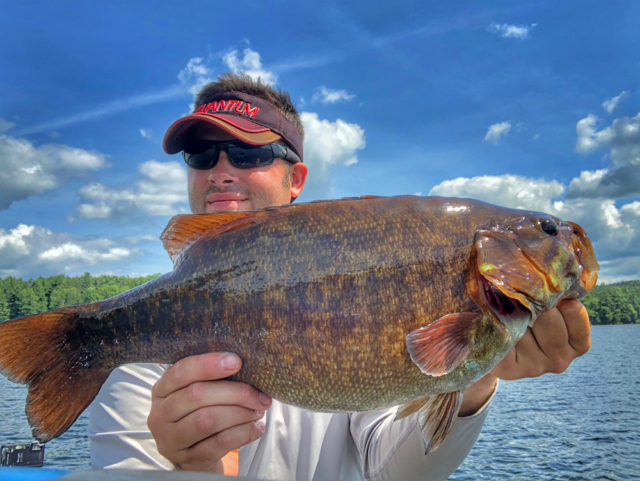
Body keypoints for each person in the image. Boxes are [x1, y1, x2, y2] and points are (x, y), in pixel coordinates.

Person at [88, 73, 591, 480]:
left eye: (250, 154)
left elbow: (392, 470)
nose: (221, 171)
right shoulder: (131, 350)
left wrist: (474, 380)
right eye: (202, 155)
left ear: (296, 179)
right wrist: (189, 469)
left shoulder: (361, 307)